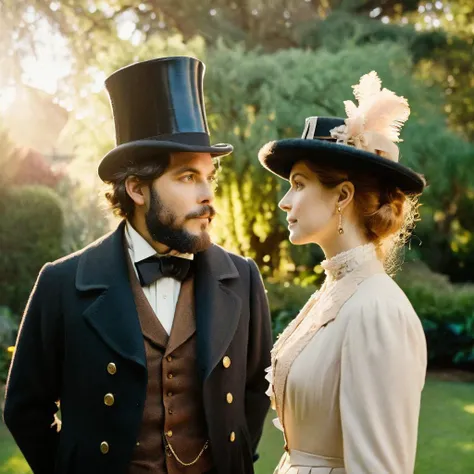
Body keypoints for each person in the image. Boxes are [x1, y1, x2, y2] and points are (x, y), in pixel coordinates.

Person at [4, 56, 272, 474]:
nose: (208, 195)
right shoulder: (62, 283)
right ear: (137, 188)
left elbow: (255, 391)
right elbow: (25, 408)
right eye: (187, 177)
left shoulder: (242, 278)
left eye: (209, 177)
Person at [258, 71, 427, 474]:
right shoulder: (335, 292)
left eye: (298, 184)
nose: (285, 201)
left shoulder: (377, 311)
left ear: (343, 196)